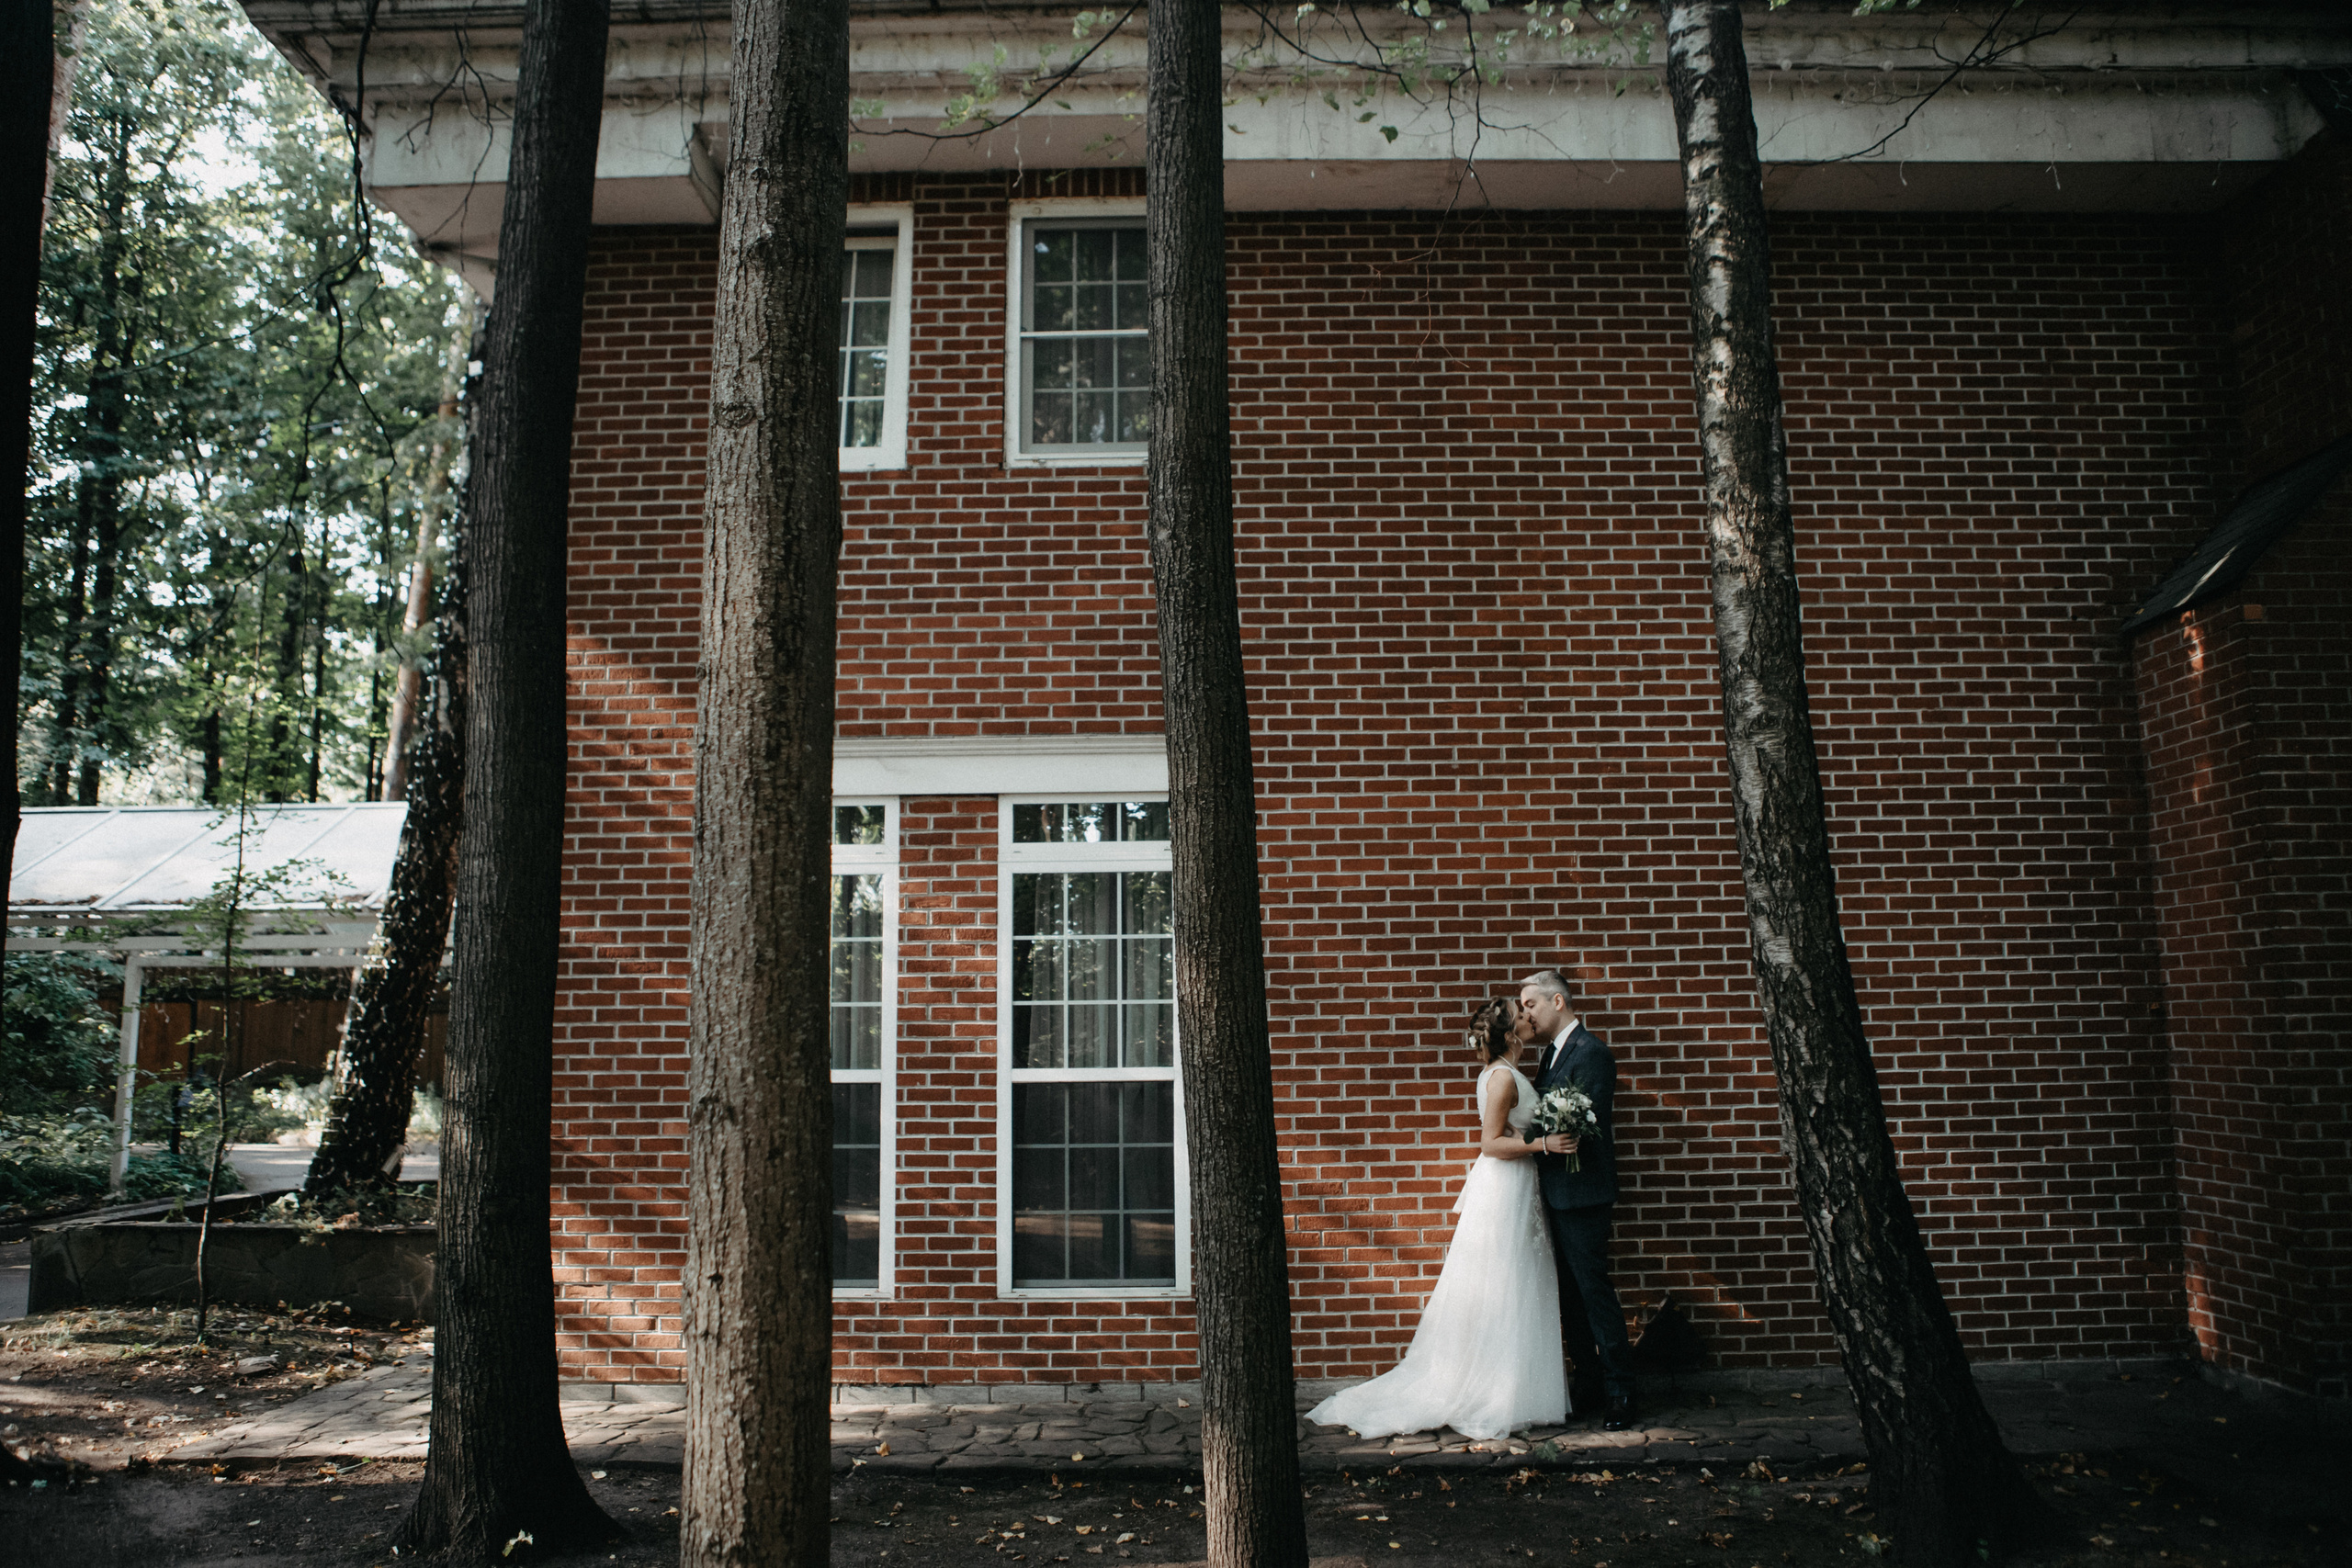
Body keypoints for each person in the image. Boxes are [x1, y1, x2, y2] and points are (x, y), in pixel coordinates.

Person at [1306, 998, 1572, 1441]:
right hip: (1505, 1184)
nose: (1529, 1016)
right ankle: (1490, 1391)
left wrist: (1527, 1138)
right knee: (1502, 1281)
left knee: (1511, 1282)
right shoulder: (1503, 1076)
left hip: (1514, 1184)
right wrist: (1542, 1145)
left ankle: (1510, 1388)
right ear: (1509, 1035)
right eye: (1520, 1013)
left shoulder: (1503, 1072)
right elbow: (1490, 1144)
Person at [1521, 967, 1638, 1430]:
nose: (1525, 1013)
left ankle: (1621, 1392)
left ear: (1557, 1002)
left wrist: (1521, 1136)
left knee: (1593, 1293)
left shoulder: (1591, 1053)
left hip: (1583, 1194)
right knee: (1570, 1298)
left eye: (1530, 1004)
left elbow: (1576, 1122)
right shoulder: (1551, 1054)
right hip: (1555, 1191)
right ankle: (1588, 1382)